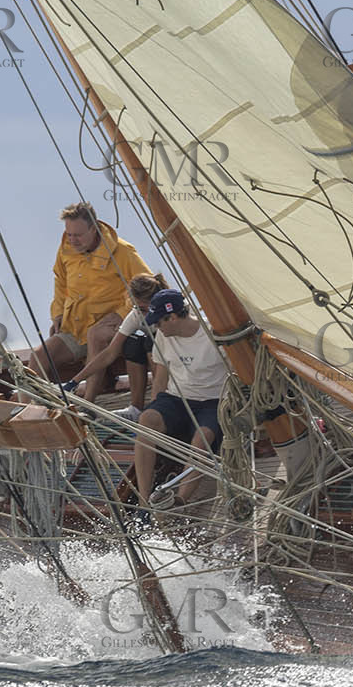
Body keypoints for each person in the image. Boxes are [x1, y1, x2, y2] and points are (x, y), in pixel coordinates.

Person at [30, 202, 151, 380]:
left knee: (96, 336)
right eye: (69, 234)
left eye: (78, 235)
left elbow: (147, 285)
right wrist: (57, 314)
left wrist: (122, 314)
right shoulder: (66, 250)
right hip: (75, 329)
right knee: (38, 357)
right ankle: (31, 407)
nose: (72, 240)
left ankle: (88, 404)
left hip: (111, 330)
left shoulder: (123, 251)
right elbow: (60, 283)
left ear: (94, 229)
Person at [135, 289, 228, 509]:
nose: (156, 328)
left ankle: (178, 503)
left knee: (202, 439)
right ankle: (143, 503)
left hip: (213, 401)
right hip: (178, 398)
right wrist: (157, 408)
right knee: (147, 419)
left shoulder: (214, 333)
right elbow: (161, 375)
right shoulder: (163, 336)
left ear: (173, 317)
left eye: (159, 323)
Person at [61, 273, 168, 420]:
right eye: (137, 308)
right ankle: (136, 408)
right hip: (161, 360)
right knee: (132, 342)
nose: (140, 313)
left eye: (143, 309)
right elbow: (110, 352)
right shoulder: (137, 315)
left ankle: (159, 402)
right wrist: (74, 381)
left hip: (176, 363)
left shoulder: (175, 311)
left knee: (152, 342)